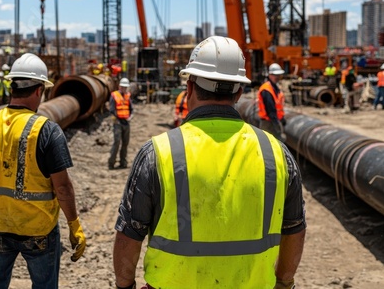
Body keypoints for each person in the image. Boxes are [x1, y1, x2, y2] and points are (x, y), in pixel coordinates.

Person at [113, 36, 306, 289]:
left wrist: (124, 286)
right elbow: (294, 228)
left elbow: (129, 234)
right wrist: (283, 283)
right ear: (239, 92)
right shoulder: (276, 152)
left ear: (189, 88)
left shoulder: (159, 152)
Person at [0, 53, 86, 288]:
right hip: (37, 229)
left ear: (12, 86)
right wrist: (73, 224)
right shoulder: (46, 130)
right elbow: (63, 187)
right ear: (39, 90)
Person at [108, 77, 133, 170]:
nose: (124, 89)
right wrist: (115, 120)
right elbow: (111, 110)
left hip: (126, 122)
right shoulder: (114, 95)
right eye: (123, 87)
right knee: (117, 142)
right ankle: (111, 163)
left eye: (125, 87)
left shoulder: (128, 96)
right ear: (119, 86)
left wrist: (130, 117)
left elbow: (131, 109)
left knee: (125, 143)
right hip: (118, 123)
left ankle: (123, 162)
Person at [258, 63, 287, 142]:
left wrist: (282, 119)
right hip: (269, 123)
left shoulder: (275, 88)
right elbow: (270, 110)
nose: (277, 77)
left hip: (274, 121)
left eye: (278, 75)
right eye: (275, 75)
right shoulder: (267, 89)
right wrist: (277, 125)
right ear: (270, 75)